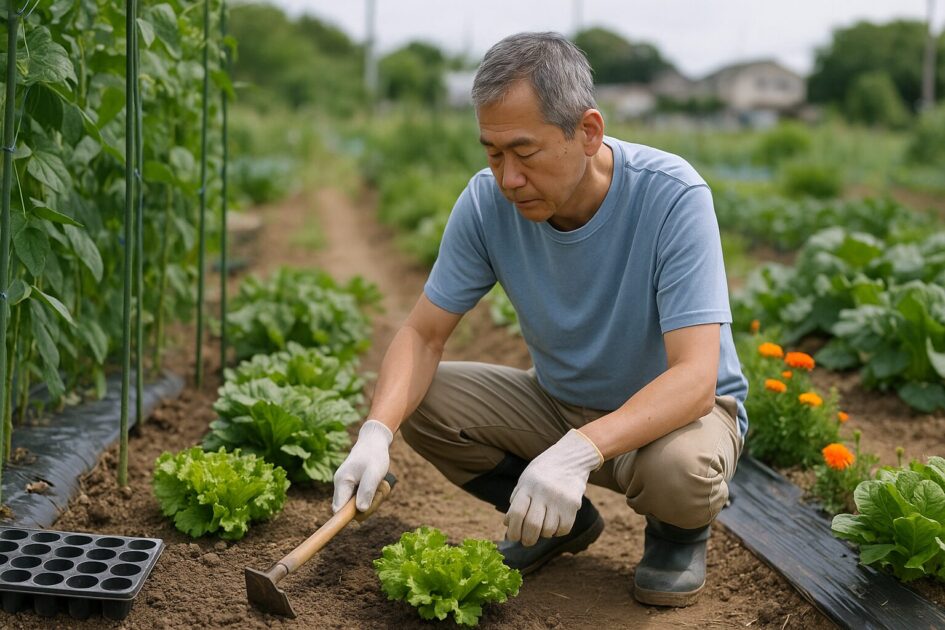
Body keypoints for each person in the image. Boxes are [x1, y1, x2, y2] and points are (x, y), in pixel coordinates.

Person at [331, 31, 748, 608]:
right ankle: (555, 519)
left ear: (588, 131)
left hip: (673, 420)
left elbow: (696, 380)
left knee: (682, 470)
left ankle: (677, 536)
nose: (508, 178)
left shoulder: (671, 196)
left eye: (524, 153)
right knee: (417, 402)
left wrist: (578, 451)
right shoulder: (486, 203)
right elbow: (422, 335)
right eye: (493, 153)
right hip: (557, 403)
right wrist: (376, 433)